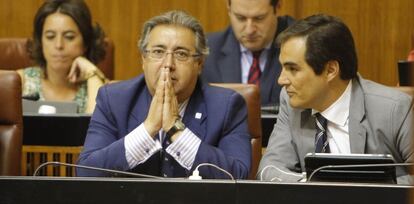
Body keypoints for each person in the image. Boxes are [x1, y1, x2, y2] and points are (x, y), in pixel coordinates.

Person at [77, 10, 251, 179]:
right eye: (158, 52)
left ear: (199, 64)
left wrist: (176, 130)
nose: (168, 64)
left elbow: (238, 175)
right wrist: (147, 129)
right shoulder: (114, 100)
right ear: (143, 59)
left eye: (181, 54)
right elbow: (86, 172)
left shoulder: (226, 106)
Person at [258, 14, 414, 184]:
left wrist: (358, 191)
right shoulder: (290, 103)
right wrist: (316, 186)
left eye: (293, 69)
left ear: (331, 70)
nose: (281, 80)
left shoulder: (395, 109)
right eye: (282, 67)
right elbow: (270, 168)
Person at [18, 0, 108, 113]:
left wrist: (92, 74)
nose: (59, 45)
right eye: (50, 37)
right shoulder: (19, 81)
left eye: (69, 37)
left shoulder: (101, 87)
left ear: (86, 42)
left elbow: (99, 128)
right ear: (40, 42)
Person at [201, 0, 294, 105]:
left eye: (259, 18)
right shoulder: (206, 51)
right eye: (241, 18)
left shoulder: (300, 45)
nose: (249, 30)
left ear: (277, 7)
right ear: (228, 8)